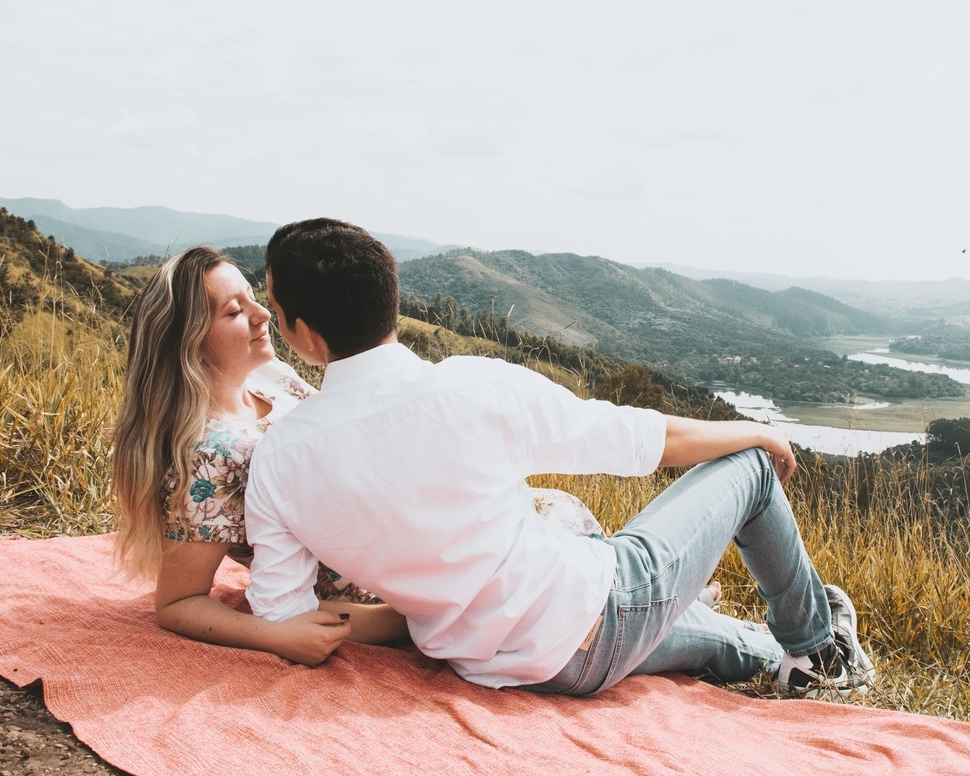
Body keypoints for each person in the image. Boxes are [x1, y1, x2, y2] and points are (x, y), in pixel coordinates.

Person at [245, 219, 875, 697]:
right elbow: (643, 442)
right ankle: (820, 649)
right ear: (391, 300)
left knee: (677, 626)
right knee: (751, 469)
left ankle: (777, 657)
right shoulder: (473, 388)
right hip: (593, 615)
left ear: (303, 332)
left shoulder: (279, 460)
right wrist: (751, 431)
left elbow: (283, 613)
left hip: (519, 666)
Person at [109, 246, 618, 665]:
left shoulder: (274, 380)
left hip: (400, 529)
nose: (264, 315)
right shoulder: (209, 452)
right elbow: (178, 603)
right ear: (191, 340)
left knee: (540, 528)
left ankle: (656, 611)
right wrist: (276, 636)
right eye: (235, 311)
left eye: (254, 298)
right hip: (377, 586)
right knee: (546, 569)